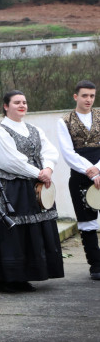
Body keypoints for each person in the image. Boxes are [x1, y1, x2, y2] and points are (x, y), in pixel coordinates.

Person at [0, 90, 64, 292]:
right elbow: (10, 161)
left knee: (31, 231)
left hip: (33, 185)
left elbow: (49, 150)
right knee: (13, 232)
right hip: (10, 188)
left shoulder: (34, 129)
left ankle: (25, 275)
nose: (22, 105)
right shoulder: (0, 132)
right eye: (17, 102)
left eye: (24, 102)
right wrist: (40, 173)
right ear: (6, 106)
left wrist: (49, 168)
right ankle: (8, 278)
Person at [56, 80, 100, 280]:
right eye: (84, 95)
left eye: (92, 95)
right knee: (87, 222)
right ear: (76, 97)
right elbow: (67, 153)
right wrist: (91, 172)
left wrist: (98, 170)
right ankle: (96, 266)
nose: (89, 99)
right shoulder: (64, 121)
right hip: (80, 177)